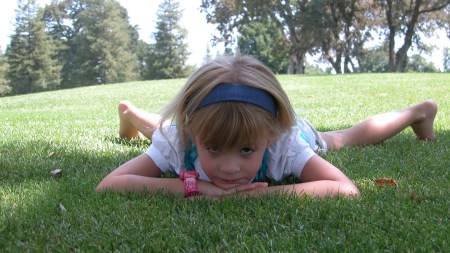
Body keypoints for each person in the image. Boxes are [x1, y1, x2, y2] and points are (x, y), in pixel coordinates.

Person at [96, 55, 438, 198]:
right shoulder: (179, 135)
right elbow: (108, 185)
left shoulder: (283, 143)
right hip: (177, 130)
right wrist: (195, 189)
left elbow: (346, 189)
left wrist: (264, 193)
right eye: (213, 148)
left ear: (269, 136)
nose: (230, 168)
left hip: (298, 132)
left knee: (341, 139)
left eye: (246, 150)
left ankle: (417, 113)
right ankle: (130, 115)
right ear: (191, 129)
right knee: (163, 134)